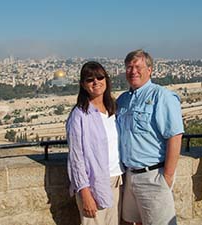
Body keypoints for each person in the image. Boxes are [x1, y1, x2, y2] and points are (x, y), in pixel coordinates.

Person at [116, 49, 184, 225]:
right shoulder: (122, 100)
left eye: (138, 67)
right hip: (130, 176)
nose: (133, 71)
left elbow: (175, 136)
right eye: (129, 67)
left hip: (153, 175)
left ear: (150, 69)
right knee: (130, 222)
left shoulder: (161, 96)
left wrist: (166, 177)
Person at [66, 61, 124, 225]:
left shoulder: (113, 110)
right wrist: (85, 194)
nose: (96, 82)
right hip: (94, 185)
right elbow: (76, 158)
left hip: (117, 181)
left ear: (106, 79)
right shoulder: (79, 116)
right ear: (83, 85)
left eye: (100, 77)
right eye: (90, 79)